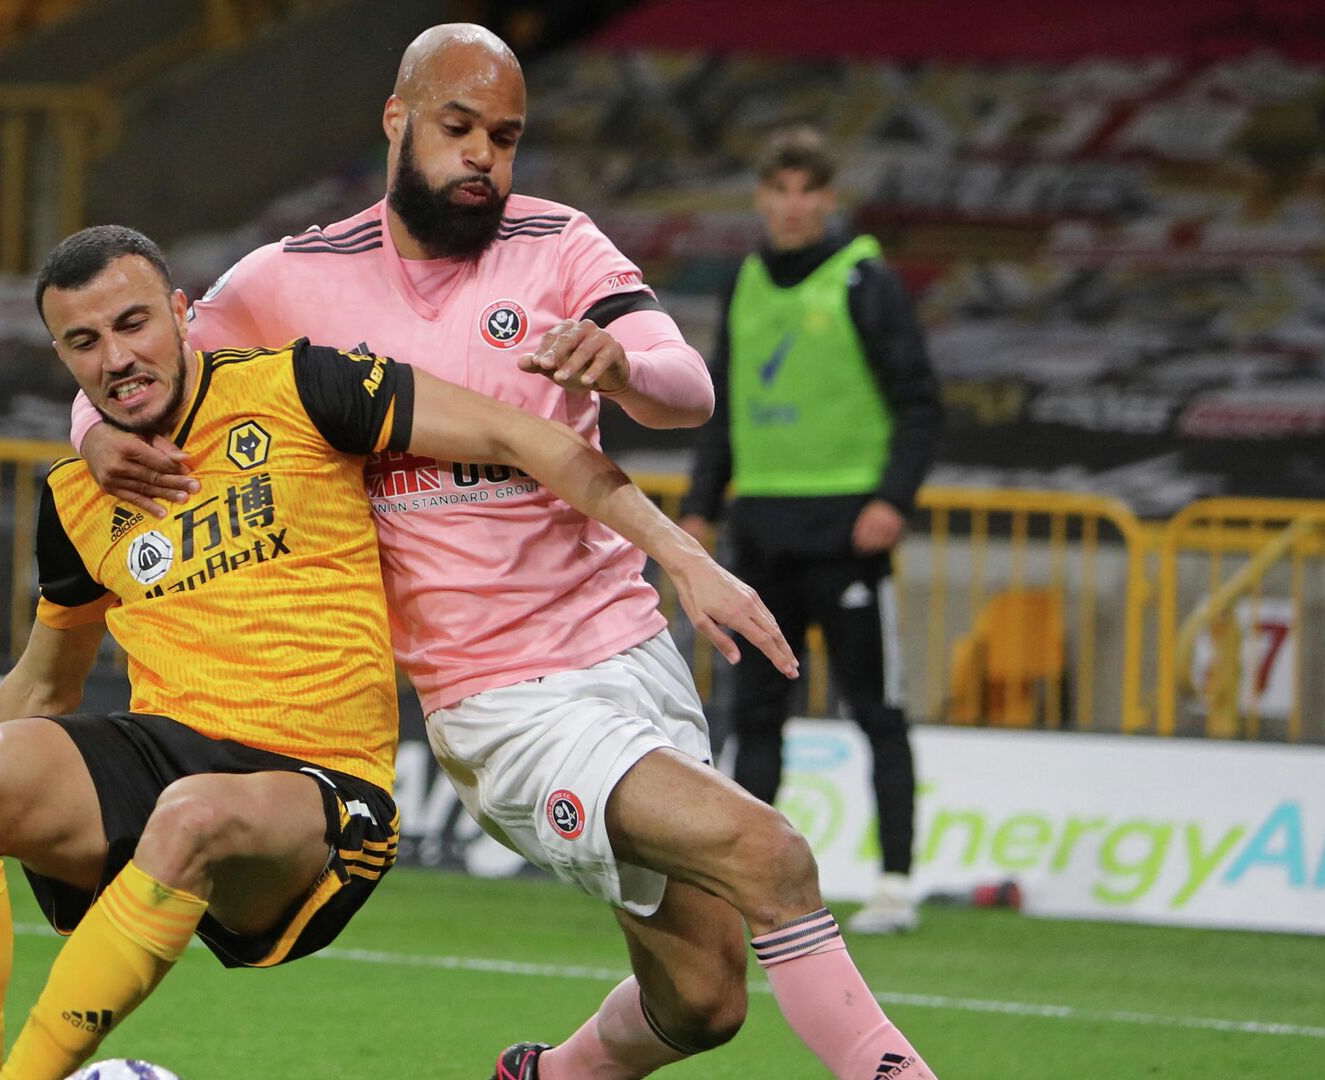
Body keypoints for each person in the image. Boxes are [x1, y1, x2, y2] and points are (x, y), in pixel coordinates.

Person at [63, 26, 937, 1080]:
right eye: (458, 127)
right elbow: (148, 355)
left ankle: (547, 1075)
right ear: (398, 121)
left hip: (629, 651)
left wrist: (619, 362)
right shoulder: (288, 282)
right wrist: (96, 433)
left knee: (704, 1001)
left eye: (506, 137)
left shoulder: (560, 242)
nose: (483, 155)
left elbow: (686, 384)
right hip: (497, 699)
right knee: (772, 853)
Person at [0, 225, 796, 1079]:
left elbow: (515, 432)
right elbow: (44, 681)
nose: (115, 357)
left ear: (184, 313)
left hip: (322, 791)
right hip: (169, 752)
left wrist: (679, 553)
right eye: (82, 342)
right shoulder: (76, 497)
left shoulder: (300, 387)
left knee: (192, 815)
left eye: (132, 324)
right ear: (61, 358)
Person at [681, 126, 944, 935]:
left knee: (877, 708)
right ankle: (741, 875)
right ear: (761, 199)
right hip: (761, 530)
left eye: (808, 191)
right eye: (779, 190)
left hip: (847, 531)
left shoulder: (864, 281)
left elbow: (920, 400)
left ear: (827, 199)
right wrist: (701, 505)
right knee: (754, 716)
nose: (793, 207)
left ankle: (895, 882)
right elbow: (723, 402)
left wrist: (891, 499)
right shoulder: (746, 282)